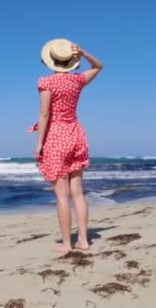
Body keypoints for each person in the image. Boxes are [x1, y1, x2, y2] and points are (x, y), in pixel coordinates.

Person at [29, 38, 103, 254]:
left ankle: (67, 244)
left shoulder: (46, 82)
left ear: (49, 61)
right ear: (72, 60)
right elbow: (99, 66)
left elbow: (44, 114)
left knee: (62, 196)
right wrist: (84, 53)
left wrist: (39, 143)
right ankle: (84, 241)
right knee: (78, 193)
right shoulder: (78, 81)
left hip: (56, 137)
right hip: (76, 134)